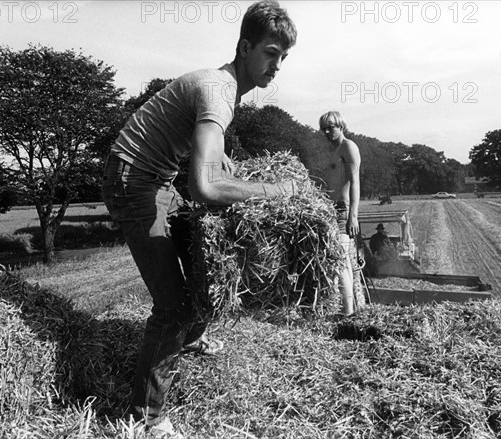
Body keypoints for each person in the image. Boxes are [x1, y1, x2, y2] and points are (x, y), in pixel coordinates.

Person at [101, 2, 297, 437]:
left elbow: (204, 149)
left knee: (206, 264)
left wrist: (229, 165)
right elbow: (205, 187)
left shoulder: (220, 87)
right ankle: (145, 418)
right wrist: (274, 191)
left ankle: (191, 337)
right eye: (270, 52)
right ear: (244, 47)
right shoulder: (219, 93)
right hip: (133, 180)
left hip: (158, 178)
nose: (277, 65)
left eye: (284, 57)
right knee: (173, 307)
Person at [319, 111, 361, 316]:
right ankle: (348, 308)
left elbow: (355, 182)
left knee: (341, 261)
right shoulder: (333, 151)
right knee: (339, 261)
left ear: (341, 126)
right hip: (331, 210)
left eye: (330, 127)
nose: (326, 132)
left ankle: (348, 313)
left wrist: (354, 215)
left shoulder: (348, 146)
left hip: (343, 212)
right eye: (323, 129)